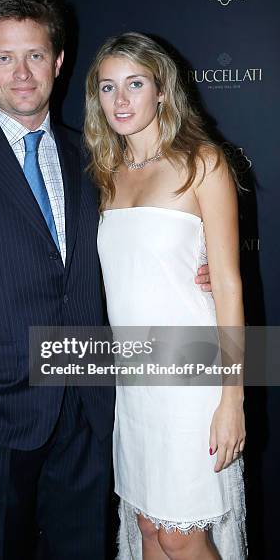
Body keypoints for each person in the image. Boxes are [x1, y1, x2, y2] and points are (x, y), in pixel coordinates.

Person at [0, 0, 211, 560]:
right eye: (5, 57)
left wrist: (197, 272)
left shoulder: (94, 158)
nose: (22, 73)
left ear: (59, 62)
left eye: (35, 56)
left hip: (90, 411)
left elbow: (145, 240)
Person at [85, 32, 247, 560]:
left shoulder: (203, 163)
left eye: (135, 84)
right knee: (149, 527)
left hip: (192, 377)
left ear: (161, 90)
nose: (122, 100)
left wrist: (233, 398)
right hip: (135, 379)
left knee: (181, 533)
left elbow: (226, 284)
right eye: (108, 87)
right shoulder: (107, 173)